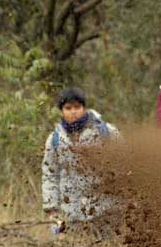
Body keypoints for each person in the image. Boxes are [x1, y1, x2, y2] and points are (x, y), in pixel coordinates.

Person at [41, 87, 121, 229]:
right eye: (68, 108)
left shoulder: (106, 132)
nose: (73, 112)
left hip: (106, 210)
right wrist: (51, 208)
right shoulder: (55, 139)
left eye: (77, 107)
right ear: (62, 111)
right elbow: (50, 173)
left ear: (84, 108)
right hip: (73, 212)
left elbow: (125, 163)